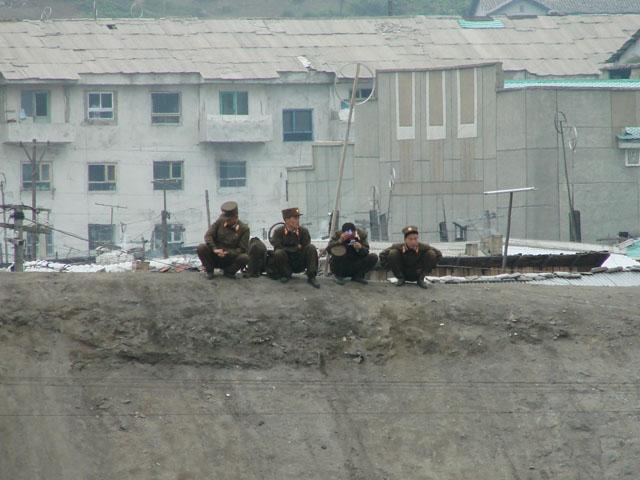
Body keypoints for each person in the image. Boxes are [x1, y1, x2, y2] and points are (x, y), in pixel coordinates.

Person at [196, 201, 249, 279]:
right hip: (215, 255)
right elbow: (208, 235)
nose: (226, 221)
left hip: (230, 258)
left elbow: (242, 249)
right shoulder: (220, 221)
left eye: (229, 220)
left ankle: (229, 272)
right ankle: (210, 271)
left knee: (244, 257)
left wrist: (227, 253)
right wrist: (214, 249)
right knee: (201, 247)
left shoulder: (244, 229)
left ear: (236, 217)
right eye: (225, 219)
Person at [270, 207, 320, 288]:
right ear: (286, 219)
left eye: (298, 218)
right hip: (286, 262)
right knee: (279, 253)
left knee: (311, 248)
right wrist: (297, 247)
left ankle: (312, 276)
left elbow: (306, 246)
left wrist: (289, 248)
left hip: (299, 260)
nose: (297, 221)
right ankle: (285, 275)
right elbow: (278, 248)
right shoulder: (278, 232)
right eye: (295, 218)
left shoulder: (303, 231)